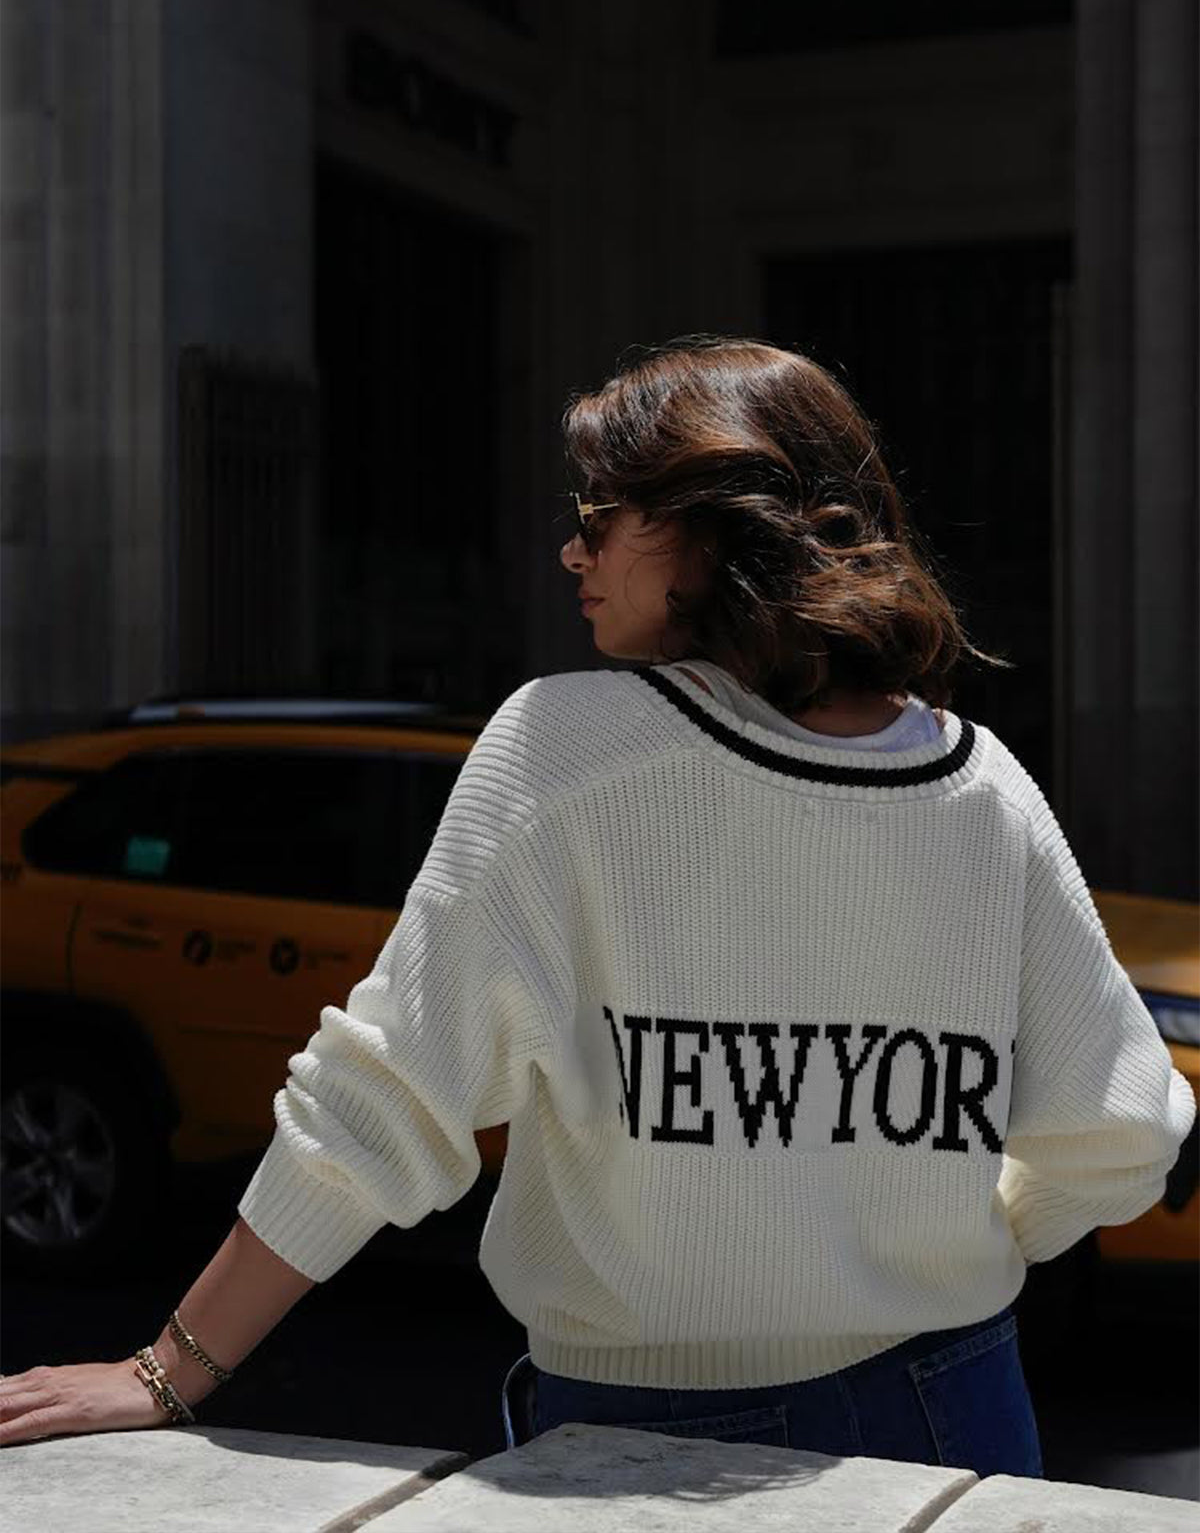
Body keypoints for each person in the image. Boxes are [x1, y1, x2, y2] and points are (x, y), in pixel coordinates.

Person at [1, 336, 1193, 1478]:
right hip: (961, 1410)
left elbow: (381, 1106)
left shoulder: (562, 751)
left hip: (646, 1442)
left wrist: (171, 1369)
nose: (572, 555)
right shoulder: (983, 785)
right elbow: (1126, 1132)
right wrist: (939, 1243)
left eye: (597, 521)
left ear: (711, 534)